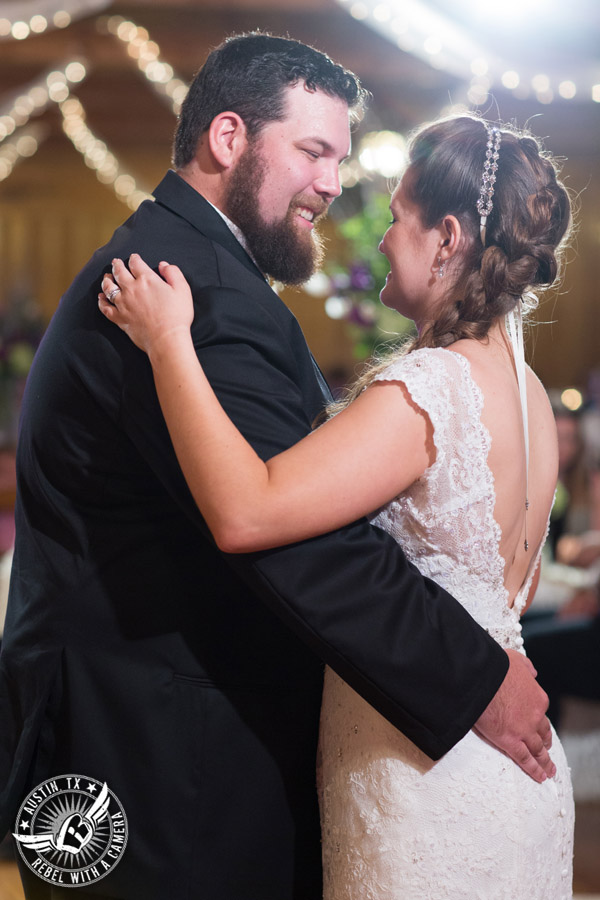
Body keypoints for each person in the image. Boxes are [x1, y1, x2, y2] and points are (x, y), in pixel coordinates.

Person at [0, 33, 551, 900]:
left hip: (148, 736)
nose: (335, 185)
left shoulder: (195, 275)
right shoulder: (197, 291)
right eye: (314, 151)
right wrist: (473, 673)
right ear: (229, 139)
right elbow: (295, 539)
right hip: (157, 756)